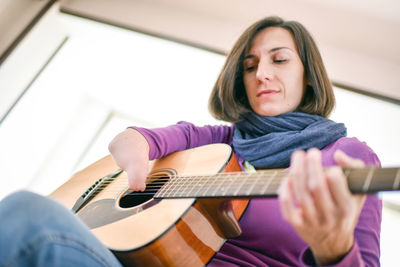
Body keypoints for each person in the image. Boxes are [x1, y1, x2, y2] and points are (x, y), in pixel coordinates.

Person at [0, 16, 381, 267]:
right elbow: (142, 140)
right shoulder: (220, 141)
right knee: (25, 215)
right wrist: (132, 147)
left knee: (27, 217)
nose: (262, 73)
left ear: (310, 76)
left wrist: (335, 248)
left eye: (279, 60)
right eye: (249, 66)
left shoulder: (348, 157)